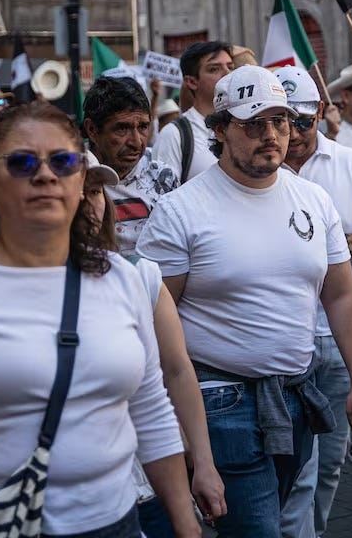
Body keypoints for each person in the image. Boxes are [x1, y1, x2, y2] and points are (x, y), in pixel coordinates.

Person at [0, 101, 199, 537]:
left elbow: (151, 409)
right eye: (23, 162)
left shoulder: (123, 280)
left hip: (109, 523)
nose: (45, 175)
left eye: (64, 162)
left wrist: (186, 522)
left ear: (82, 179)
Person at [137, 65, 352, 538]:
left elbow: (342, 296)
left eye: (280, 122)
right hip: (220, 400)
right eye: (253, 124)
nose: (270, 135)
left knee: (280, 516)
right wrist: (177, 430)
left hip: (297, 396)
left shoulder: (314, 199)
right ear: (221, 129)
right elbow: (152, 326)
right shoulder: (180, 212)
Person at [81, 151, 228, 537]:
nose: (87, 205)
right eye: (77, 191)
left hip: (147, 484)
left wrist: (203, 463)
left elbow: (175, 373)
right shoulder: (9, 288)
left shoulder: (139, 278)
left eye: (95, 192)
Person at [274, 65, 352, 538]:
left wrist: (323, 240)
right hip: (286, 342)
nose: (293, 133)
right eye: (282, 121)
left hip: (342, 339)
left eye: (302, 121)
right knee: (297, 471)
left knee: (328, 468)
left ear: (321, 112)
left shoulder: (349, 162)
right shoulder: (258, 170)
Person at [84, 76, 180, 257]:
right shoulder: (72, 176)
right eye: (122, 128)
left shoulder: (163, 178)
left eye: (143, 127)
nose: (136, 142)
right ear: (93, 130)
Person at [153, 41, 235, 183]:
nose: (228, 74)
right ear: (191, 82)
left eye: (231, 67)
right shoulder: (175, 135)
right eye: (214, 69)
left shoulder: (246, 126)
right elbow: (162, 198)